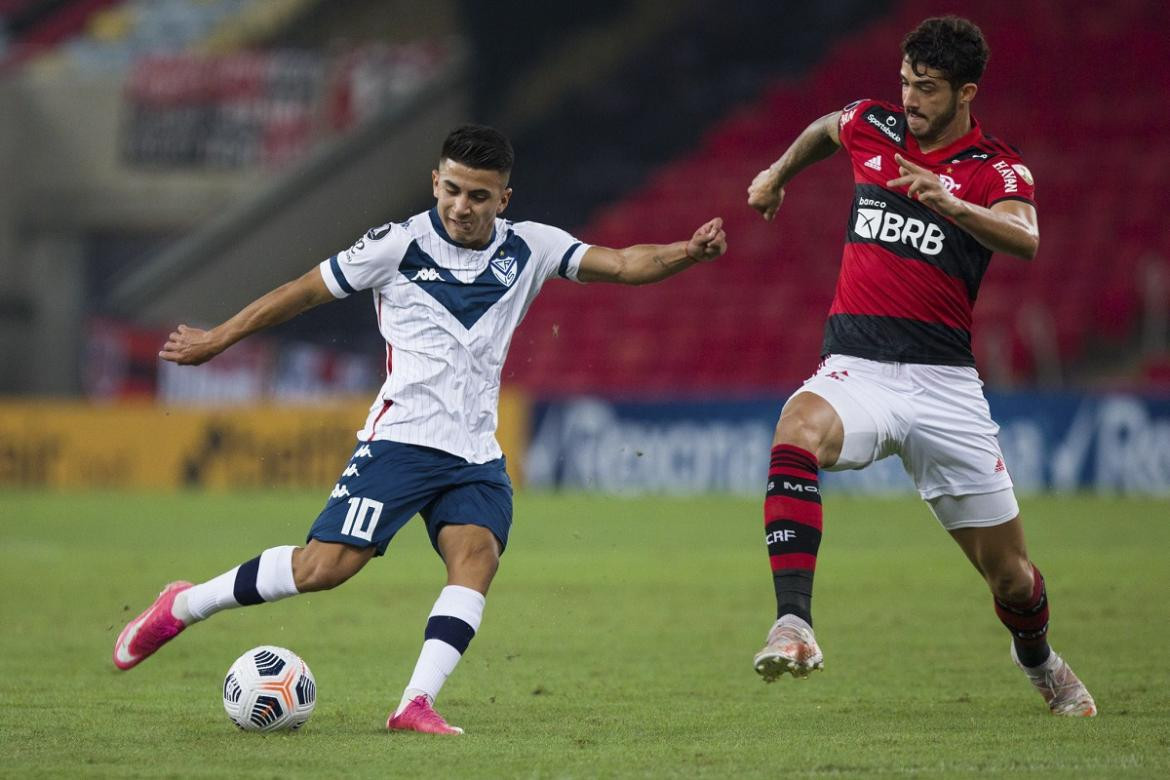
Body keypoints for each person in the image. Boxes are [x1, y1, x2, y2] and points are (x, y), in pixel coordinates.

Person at [114, 124, 727, 734]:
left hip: (476, 453)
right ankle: (184, 605)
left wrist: (686, 253)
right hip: (401, 440)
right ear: (435, 181)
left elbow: (621, 263)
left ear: (503, 200)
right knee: (324, 568)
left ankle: (414, 703)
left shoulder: (531, 248)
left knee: (476, 560)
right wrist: (218, 338)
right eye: (452, 190)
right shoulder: (395, 246)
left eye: (478, 196)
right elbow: (303, 292)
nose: (462, 206)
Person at [745, 16, 1095, 716]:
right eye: (905, 81)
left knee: (1013, 580)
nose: (909, 97)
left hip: (945, 387)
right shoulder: (876, 125)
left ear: (966, 92)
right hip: (860, 368)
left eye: (927, 88)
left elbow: (1025, 238)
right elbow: (826, 127)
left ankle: (1041, 661)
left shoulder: (996, 167)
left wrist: (954, 204)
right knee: (795, 428)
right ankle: (794, 623)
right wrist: (778, 173)